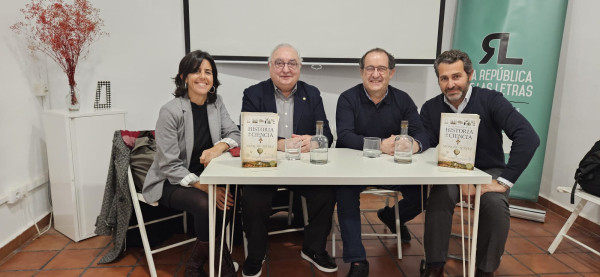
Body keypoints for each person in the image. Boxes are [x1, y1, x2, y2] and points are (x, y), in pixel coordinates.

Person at [418, 50, 539, 277]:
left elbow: (528, 137)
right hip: (450, 169)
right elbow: (428, 143)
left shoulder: (491, 100)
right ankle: (434, 265)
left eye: (456, 76)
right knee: (439, 196)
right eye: (444, 78)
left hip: (488, 170)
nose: (451, 84)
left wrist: (503, 181)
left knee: (495, 204)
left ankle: (485, 269)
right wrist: (412, 144)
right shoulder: (430, 108)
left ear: (470, 74)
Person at [240, 43, 337, 277]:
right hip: (265, 166)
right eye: (280, 63)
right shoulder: (253, 94)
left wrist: (313, 142)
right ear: (270, 66)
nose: (286, 69)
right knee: (253, 196)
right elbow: (247, 134)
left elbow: (327, 135)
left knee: (326, 192)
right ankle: (256, 253)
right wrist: (281, 144)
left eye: (292, 63)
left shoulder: (312, 94)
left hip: (301, 167)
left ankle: (313, 248)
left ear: (299, 67)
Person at [142, 50, 241, 277]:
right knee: (206, 204)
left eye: (208, 72)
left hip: (206, 178)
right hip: (170, 181)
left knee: (231, 199)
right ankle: (224, 268)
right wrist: (203, 186)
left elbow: (235, 133)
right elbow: (168, 165)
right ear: (183, 77)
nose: (202, 77)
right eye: (196, 71)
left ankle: (195, 265)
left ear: (214, 79)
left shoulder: (217, 104)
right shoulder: (170, 111)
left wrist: (218, 148)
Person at [335, 48, 430, 277]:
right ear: (361, 72)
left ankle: (391, 215)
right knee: (344, 194)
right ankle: (358, 261)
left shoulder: (403, 99)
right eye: (370, 68)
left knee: (423, 194)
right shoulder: (347, 98)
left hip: (392, 170)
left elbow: (422, 135)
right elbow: (344, 136)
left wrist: (413, 144)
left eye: (381, 69)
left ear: (391, 73)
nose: (375, 74)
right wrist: (380, 145)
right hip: (354, 169)